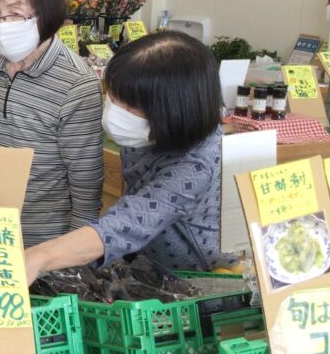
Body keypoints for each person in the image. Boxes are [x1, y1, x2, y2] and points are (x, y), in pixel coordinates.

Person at [24, 30, 224, 280]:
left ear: (173, 110)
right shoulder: (147, 131)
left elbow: (128, 222)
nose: (115, 112)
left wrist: (39, 257)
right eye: (113, 97)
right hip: (149, 256)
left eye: (129, 106)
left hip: (196, 275)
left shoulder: (195, 165)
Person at [0, 0, 103, 247]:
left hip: (46, 243)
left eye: (15, 13)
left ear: (46, 11)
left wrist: (71, 263)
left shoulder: (76, 84)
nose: (2, 25)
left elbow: (86, 190)